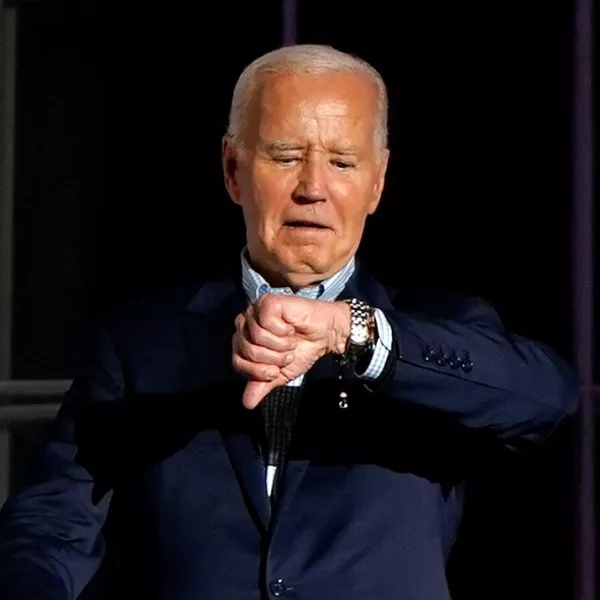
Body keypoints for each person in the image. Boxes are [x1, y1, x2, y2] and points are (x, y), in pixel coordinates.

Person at [0, 44, 578, 600]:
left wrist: (346, 332)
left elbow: (547, 396)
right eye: (285, 156)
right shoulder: (139, 345)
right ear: (232, 169)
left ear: (376, 183)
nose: (313, 188)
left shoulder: (439, 327)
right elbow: (52, 523)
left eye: (343, 162)